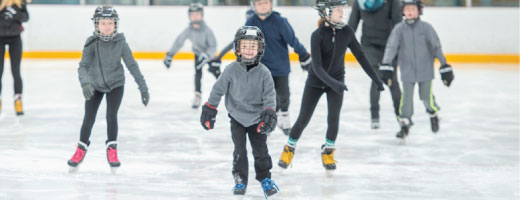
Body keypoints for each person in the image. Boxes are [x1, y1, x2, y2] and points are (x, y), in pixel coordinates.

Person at [278, 0, 384, 172]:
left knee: (333, 119)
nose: (342, 12)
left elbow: (361, 57)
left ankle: (328, 151)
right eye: (338, 10)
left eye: (343, 9)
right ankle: (289, 148)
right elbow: (317, 68)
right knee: (303, 119)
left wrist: (376, 79)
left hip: (336, 80)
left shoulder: (347, 31)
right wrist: (336, 84)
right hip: (316, 82)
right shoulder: (317, 35)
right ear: (326, 12)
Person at [67, 5, 150, 172]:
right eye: (103, 23)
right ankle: (81, 149)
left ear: (115, 24)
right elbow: (83, 66)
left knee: (111, 115)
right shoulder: (91, 43)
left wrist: (143, 87)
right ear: (96, 25)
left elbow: (132, 65)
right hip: (94, 85)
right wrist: (85, 83)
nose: (106, 26)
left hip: (115, 84)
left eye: (110, 23)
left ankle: (112, 149)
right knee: (89, 116)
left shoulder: (121, 43)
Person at [200, 26, 279, 197]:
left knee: (260, 150)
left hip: (258, 119)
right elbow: (217, 90)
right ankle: (240, 179)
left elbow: (270, 95)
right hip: (237, 118)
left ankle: (265, 178)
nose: (249, 51)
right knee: (239, 150)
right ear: (237, 48)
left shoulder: (264, 73)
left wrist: (269, 112)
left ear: (260, 48)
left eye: (253, 46)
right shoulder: (230, 70)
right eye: (245, 46)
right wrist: (210, 108)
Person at [379, 0, 454, 139]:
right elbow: (391, 47)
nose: (409, 12)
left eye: (413, 9)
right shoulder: (399, 29)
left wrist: (444, 66)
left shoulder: (426, 28)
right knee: (406, 99)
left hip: (425, 71)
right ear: (403, 11)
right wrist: (386, 65)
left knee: (426, 96)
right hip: (407, 71)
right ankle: (405, 123)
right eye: (407, 9)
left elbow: (436, 47)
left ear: (419, 10)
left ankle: (433, 113)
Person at [246, 0, 313, 135]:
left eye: (266, 2)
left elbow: (292, 40)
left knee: (283, 94)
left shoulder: (280, 21)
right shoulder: (251, 22)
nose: (263, 5)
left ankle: (284, 117)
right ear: (254, 6)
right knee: (264, 96)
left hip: (280, 66)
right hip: (261, 68)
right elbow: (244, 43)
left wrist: (304, 55)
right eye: (259, 3)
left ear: (271, 4)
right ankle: (268, 119)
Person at [348, 0, 402, 129]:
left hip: (390, 45)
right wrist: (341, 43)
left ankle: (400, 115)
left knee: (392, 80)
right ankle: (375, 116)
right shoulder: (359, 2)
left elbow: (398, 24)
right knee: (377, 78)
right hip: (369, 46)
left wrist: (397, 47)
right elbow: (351, 26)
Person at [163, 3, 218, 109]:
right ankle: (197, 95)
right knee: (197, 74)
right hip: (198, 55)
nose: (195, 17)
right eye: (193, 15)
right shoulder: (188, 30)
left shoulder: (207, 30)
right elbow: (179, 42)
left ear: (202, 15)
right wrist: (170, 55)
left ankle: (230, 91)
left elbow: (213, 45)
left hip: (209, 55)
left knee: (216, 73)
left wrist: (207, 55)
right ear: (189, 16)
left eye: (197, 14)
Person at [0, 0, 29, 115]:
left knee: (16, 71)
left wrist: (14, 14)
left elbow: (26, 17)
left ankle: (18, 100)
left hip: (15, 39)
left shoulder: (20, 2)